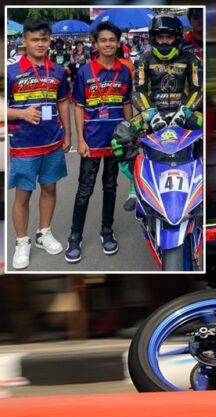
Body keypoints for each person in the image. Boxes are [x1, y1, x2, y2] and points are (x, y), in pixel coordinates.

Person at [65, 21, 133, 263]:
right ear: (95, 44)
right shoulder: (84, 72)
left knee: (111, 187)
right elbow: (78, 107)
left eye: (112, 40)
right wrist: (80, 139)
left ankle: (107, 231)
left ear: (118, 43)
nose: (108, 44)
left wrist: (130, 134)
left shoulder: (124, 71)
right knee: (84, 190)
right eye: (103, 40)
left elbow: (126, 104)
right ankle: (75, 237)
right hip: (91, 143)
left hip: (115, 143)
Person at [7, 19, 71, 269]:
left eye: (44, 39)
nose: (40, 44)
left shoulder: (57, 70)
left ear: (50, 40)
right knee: (23, 194)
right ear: (24, 41)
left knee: (50, 189)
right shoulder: (11, 71)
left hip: (52, 142)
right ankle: (22, 242)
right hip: (24, 145)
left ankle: (44, 233)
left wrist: (68, 134)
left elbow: (62, 102)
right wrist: (21, 113)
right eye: (35, 39)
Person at [123, 15, 202, 211]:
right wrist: (151, 114)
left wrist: (184, 112)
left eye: (169, 37)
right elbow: (138, 91)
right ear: (153, 38)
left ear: (177, 38)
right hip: (151, 114)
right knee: (120, 136)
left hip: (184, 114)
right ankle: (134, 184)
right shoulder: (143, 59)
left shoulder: (191, 59)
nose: (165, 41)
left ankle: (201, 183)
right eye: (161, 37)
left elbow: (198, 90)